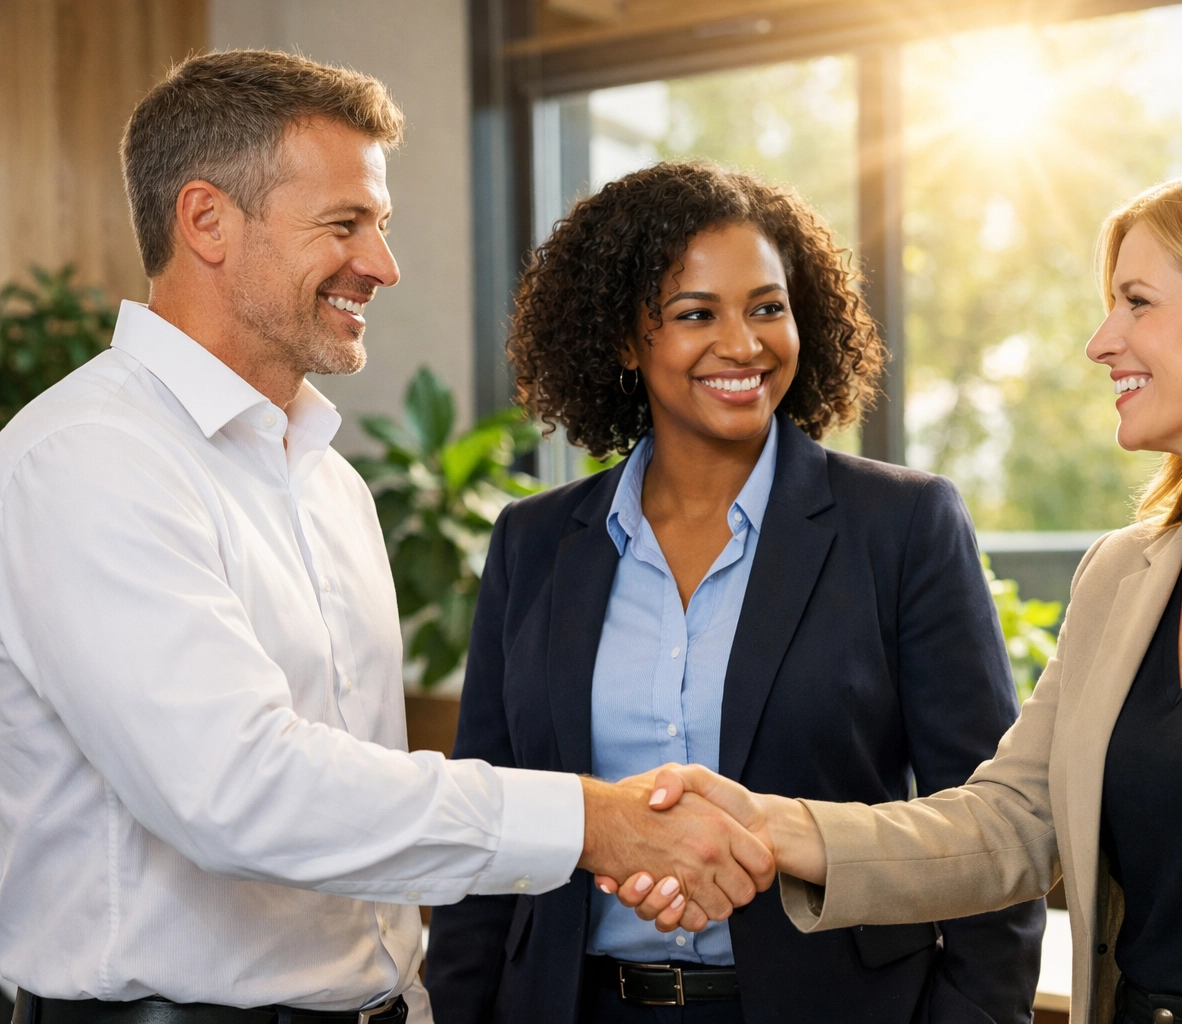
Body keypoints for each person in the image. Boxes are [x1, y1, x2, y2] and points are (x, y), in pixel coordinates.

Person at [608, 165, 1182, 1023]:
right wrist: (772, 825)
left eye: (1137, 303)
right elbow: (1013, 822)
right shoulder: (1120, 577)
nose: (1102, 343)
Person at [0, 51, 771, 1024]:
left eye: (383, 225)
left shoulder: (327, 479)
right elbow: (239, 789)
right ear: (207, 221)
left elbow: (361, 837)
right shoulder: (87, 460)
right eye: (345, 224)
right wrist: (595, 823)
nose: (383, 264)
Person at [423, 162, 1045, 1024]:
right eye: (694, 314)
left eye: (766, 307)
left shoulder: (900, 525)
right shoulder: (534, 543)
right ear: (621, 340)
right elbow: (487, 823)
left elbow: (986, 833)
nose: (744, 344)